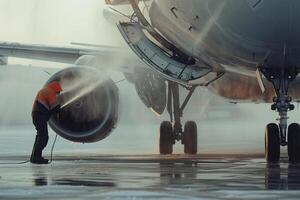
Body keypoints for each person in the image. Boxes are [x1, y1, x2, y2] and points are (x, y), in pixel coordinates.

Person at [31, 81, 62, 164]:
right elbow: (54, 107)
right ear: (56, 89)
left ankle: (34, 157)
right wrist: (60, 109)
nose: (58, 93)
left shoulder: (45, 90)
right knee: (43, 137)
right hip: (40, 115)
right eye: (58, 92)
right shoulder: (50, 92)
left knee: (40, 136)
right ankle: (37, 157)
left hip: (37, 115)